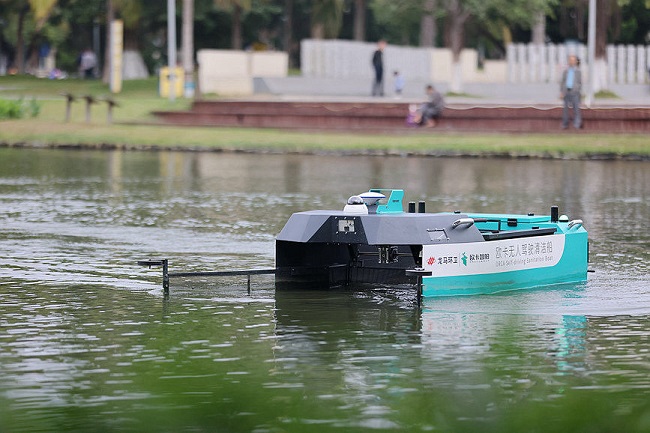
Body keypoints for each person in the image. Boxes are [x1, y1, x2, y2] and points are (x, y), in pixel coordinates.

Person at [560, 55, 582, 129]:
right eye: (570, 60)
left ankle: (577, 124)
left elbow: (579, 82)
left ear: (575, 61)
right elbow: (563, 82)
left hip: (574, 92)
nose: (571, 62)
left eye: (573, 60)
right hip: (566, 91)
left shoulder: (578, 71)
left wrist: (577, 89)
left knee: (576, 109)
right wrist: (562, 91)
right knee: (565, 110)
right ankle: (565, 124)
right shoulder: (566, 71)